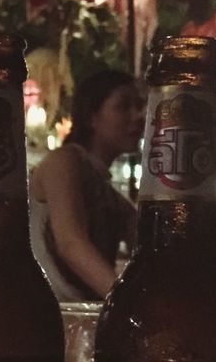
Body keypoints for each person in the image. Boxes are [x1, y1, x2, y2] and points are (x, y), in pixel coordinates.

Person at [28, 69, 145, 300]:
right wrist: (128, 306)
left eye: (139, 106)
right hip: (53, 322)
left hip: (82, 324)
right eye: (123, 106)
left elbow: (150, 251)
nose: (138, 116)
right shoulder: (64, 161)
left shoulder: (112, 197)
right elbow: (71, 244)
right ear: (91, 117)